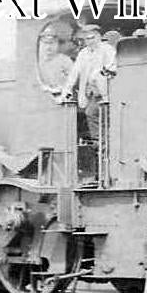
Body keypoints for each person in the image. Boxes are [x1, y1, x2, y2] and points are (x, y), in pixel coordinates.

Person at [56, 24, 116, 179]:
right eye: (87, 39)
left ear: (98, 36)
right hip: (90, 93)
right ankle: (99, 146)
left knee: (100, 118)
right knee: (90, 115)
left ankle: (105, 148)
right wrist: (66, 90)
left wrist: (99, 76)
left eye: (92, 38)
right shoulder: (83, 53)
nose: (90, 41)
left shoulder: (107, 49)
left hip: (108, 91)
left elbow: (113, 67)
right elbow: (74, 72)